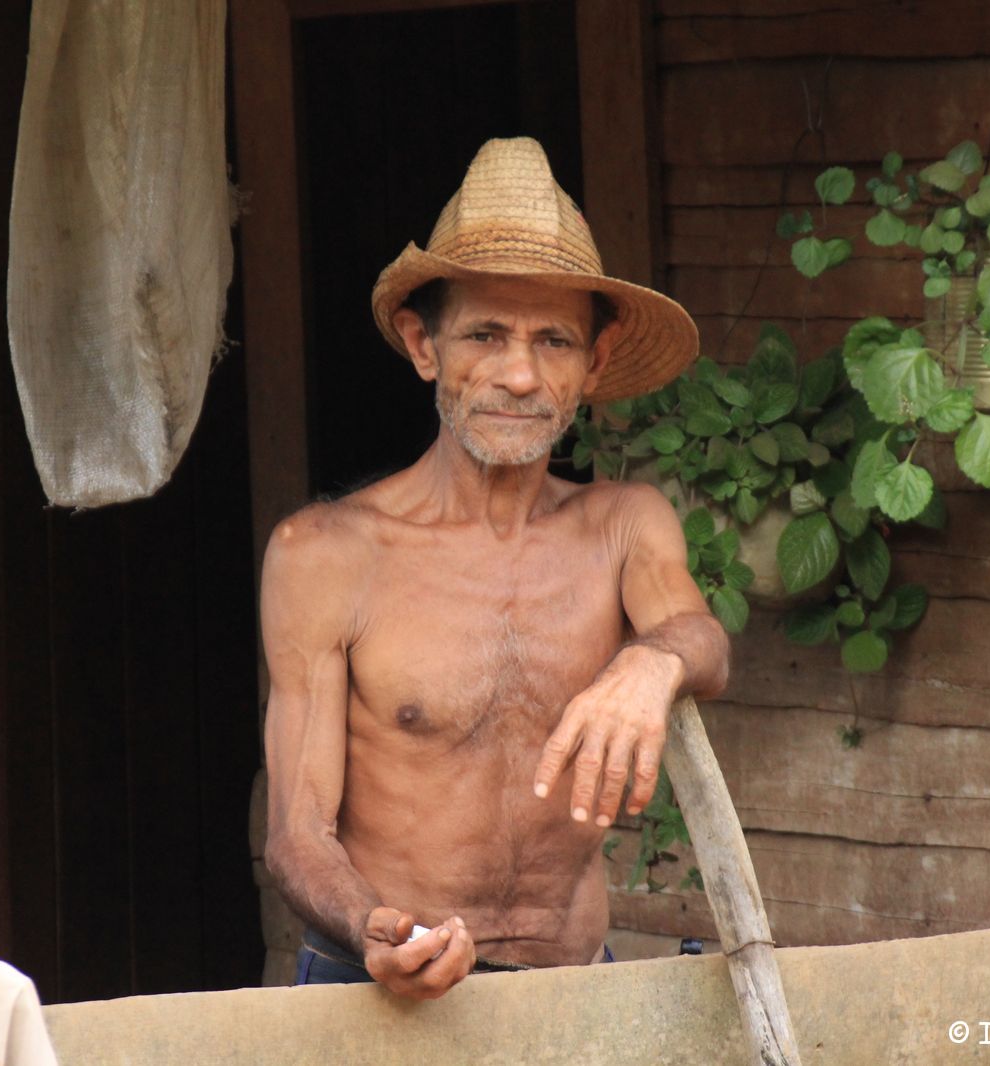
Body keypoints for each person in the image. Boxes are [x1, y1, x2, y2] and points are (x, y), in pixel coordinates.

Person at [260, 137, 729, 999]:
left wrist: (650, 662)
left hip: (574, 989)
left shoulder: (623, 526)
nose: (520, 374)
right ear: (423, 344)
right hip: (373, 987)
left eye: (554, 340)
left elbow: (702, 638)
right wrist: (373, 929)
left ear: (595, 362)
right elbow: (297, 833)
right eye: (485, 334)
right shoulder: (325, 554)